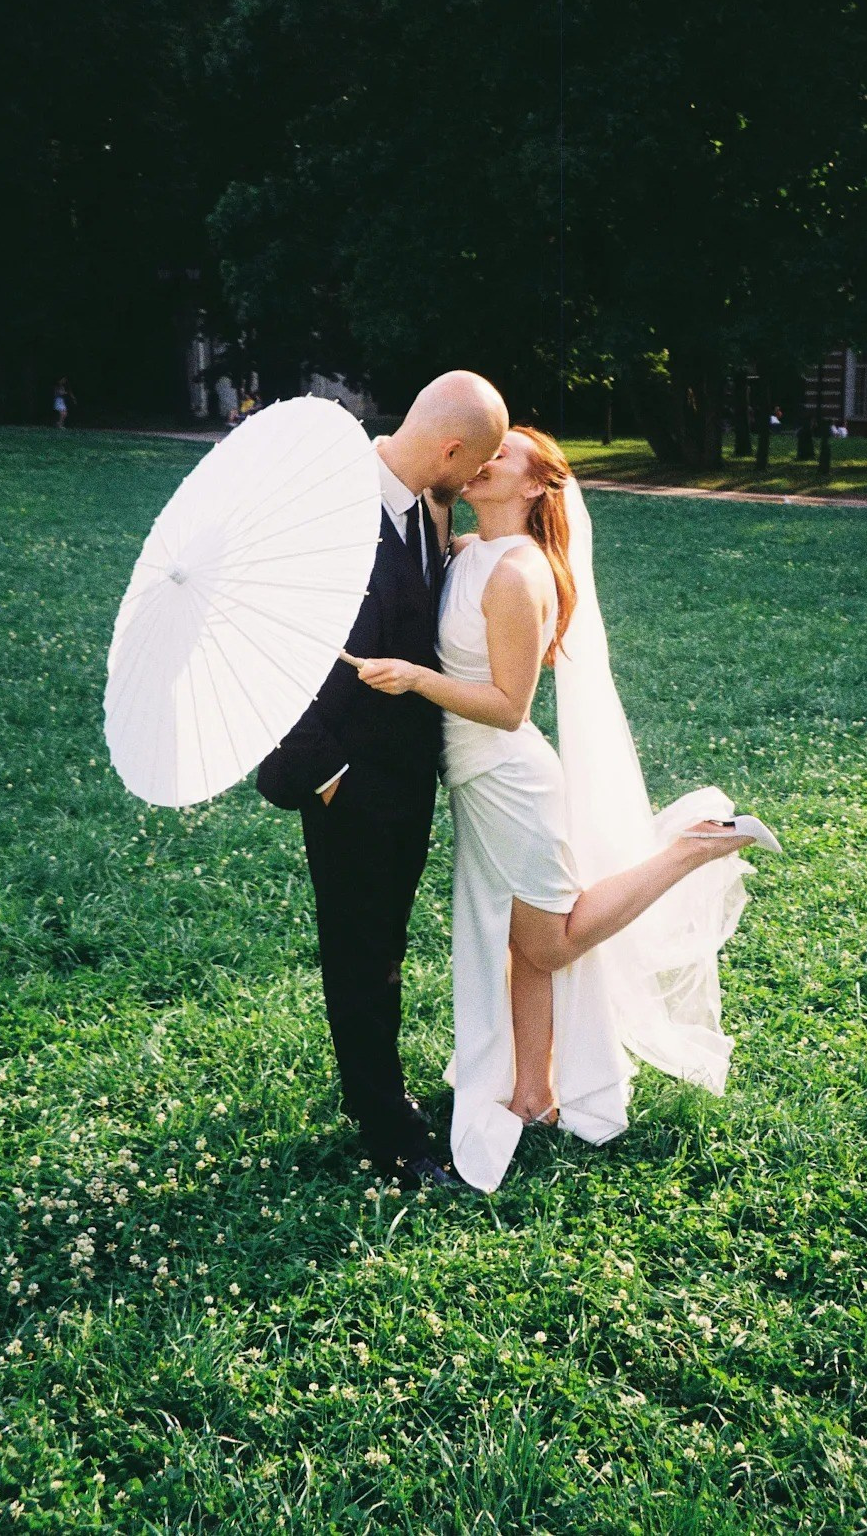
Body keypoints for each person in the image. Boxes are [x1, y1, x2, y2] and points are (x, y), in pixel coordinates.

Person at [356, 427, 781, 1193]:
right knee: (520, 942)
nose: (483, 458)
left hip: (507, 778)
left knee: (548, 944)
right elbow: (426, 508)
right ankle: (533, 1095)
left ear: (533, 486)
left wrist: (415, 679)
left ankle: (692, 847)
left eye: (501, 454)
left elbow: (509, 707)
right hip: (475, 781)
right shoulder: (468, 551)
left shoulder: (519, 572)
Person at [255, 371, 509, 1189]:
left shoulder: (429, 505)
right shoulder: (324, 511)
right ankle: (387, 1128)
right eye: (476, 464)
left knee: (385, 944)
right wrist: (328, 776)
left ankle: (375, 1088)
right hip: (346, 778)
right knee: (361, 952)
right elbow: (263, 646)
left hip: (410, 775)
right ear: (450, 448)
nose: (477, 480)